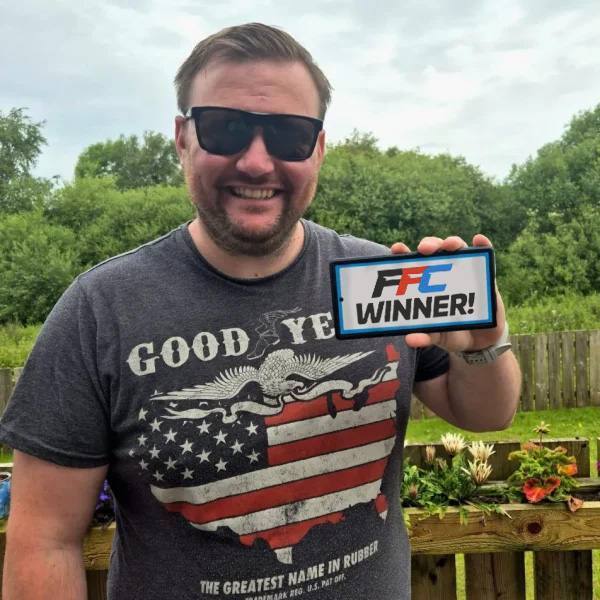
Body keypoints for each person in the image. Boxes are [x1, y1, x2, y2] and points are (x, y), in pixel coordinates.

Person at [0, 22, 521, 600]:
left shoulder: (385, 282)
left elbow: (487, 414)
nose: (256, 162)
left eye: (289, 136)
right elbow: (44, 540)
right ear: (182, 138)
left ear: (318, 149)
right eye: (225, 129)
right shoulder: (99, 311)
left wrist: (485, 343)